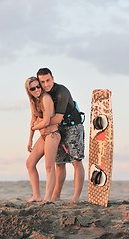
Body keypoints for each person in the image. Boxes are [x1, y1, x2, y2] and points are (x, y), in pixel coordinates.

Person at [37, 68, 85, 203]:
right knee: (59, 163)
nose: (46, 84)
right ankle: (56, 196)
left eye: (48, 80)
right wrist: (43, 124)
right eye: (42, 82)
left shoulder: (61, 92)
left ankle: (75, 198)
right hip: (57, 129)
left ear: (52, 78)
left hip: (73, 126)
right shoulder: (42, 95)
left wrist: (40, 125)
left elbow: (57, 118)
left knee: (76, 161)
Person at [25, 76, 61, 202]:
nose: (37, 90)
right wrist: (30, 139)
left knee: (49, 167)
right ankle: (36, 195)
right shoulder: (33, 101)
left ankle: (48, 198)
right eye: (33, 88)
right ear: (29, 91)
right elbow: (33, 120)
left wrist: (34, 128)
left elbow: (46, 122)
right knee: (30, 163)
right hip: (43, 136)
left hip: (52, 134)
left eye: (38, 86)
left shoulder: (46, 98)